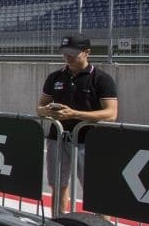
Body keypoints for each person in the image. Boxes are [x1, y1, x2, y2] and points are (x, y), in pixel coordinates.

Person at [36, 34, 118, 214]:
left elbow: (111, 113)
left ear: (87, 52)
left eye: (73, 53)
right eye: (65, 53)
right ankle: (58, 224)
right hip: (57, 138)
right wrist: (47, 111)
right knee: (59, 186)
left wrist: (74, 114)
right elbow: (39, 107)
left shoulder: (101, 79)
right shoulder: (54, 77)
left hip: (88, 142)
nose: (68, 57)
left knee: (95, 190)